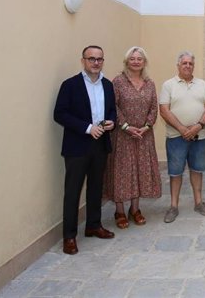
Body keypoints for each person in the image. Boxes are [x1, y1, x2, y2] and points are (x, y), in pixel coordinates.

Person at [53, 45, 116, 255]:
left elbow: (111, 111)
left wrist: (111, 123)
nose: (95, 63)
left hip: (100, 145)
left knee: (96, 188)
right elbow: (60, 114)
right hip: (77, 146)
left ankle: (93, 225)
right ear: (83, 61)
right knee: (73, 191)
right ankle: (69, 236)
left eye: (99, 59)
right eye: (91, 59)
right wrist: (88, 128)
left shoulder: (107, 85)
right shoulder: (70, 85)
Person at [104, 46, 161, 229]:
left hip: (144, 136)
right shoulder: (118, 82)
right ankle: (120, 210)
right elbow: (113, 107)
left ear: (144, 62)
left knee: (140, 171)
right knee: (122, 172)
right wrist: (126, 126)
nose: (136, 61)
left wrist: (146, 126)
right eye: (132, 58)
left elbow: (154, 107)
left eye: (139, 59)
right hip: (123, 136)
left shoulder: (149, 83)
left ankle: (135, 209)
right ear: (126, 61)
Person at [159, 51, 205, 222]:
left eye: (190, 63)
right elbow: (164, 109)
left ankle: (199, 203)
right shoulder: (169, 85)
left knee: (197, 170)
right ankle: (173, 206)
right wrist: (183, 129)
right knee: (175, 172)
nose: (187, 66)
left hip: (199, 136)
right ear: (178, 65)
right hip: (176, 136)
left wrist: (197, 126)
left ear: (193, 66)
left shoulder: (203, 85)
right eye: (184, 63)